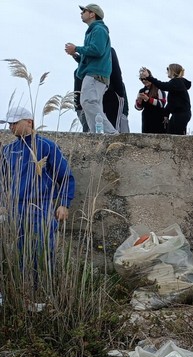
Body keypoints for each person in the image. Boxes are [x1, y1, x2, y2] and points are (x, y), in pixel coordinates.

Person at [0, 106, 75, 270]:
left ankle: (45, 292)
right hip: (15, 209)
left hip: (40, 207)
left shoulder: (46, 146)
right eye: (9, 123)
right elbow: (2, 180)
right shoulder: (8, 150)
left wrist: (64, 203)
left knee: (43, 253)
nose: (10, 127)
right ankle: (24, 293)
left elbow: (64, 176)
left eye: (14, 123)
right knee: (21, 256)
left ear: (29, 122)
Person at [65, 4, 116, 134]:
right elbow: (92, 57)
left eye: (84, 11)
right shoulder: (96, 30)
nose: (81, 13)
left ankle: (110, 133)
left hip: (95, 75)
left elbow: (97, 50)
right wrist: (76, 55)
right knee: (93, 105)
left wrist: (76, 48)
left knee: (88, 102)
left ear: (92, 14)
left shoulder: (98, 29)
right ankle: (98, 135)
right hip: (98, 74)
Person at [140, 64, 191, 135]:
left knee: (176, 136)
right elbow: (172, 103)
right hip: (178, 114)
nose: (167, 71)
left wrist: (149, 77)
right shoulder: (176, 84)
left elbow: (162, 86)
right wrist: (166, 114)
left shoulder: (177, 82)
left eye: (168, 69)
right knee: (170, 134)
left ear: (173, 71)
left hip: (181, 114)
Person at [104, 48, 129, 133]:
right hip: (102, 91)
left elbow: (117, 72)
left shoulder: (109, 51)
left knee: (114, 124)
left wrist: (120, 93)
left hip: (113, 92)